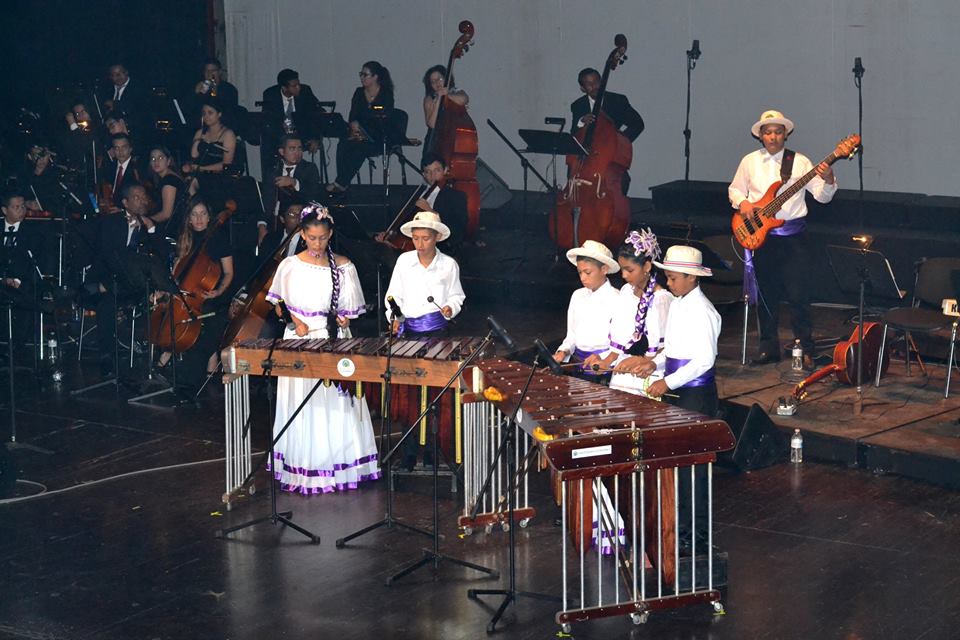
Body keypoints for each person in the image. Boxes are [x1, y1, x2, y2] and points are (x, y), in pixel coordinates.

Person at [265, 203, 377, 494]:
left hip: (333, 339)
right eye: (312, 238)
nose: (317, 243)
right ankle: (304, 464)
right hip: (300, 340)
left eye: (323, 238)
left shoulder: (343, 266)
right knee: (304, 404)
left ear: (330, 235)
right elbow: (277, 305)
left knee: (336, 402)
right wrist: (294, 319)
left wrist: (344, 317)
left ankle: (341, 463)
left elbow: (351, 309)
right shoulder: (289, 265)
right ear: (302, 235)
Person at [728, 109, 837, 368]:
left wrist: (829, 179)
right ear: (761, 136)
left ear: (785, 134)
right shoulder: (749, 161)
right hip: (763, 238)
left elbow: (822, 196)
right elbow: (734, 189)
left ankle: (805, 349)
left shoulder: (800, 162)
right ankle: (768, 348)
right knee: (766, 295)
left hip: (794, 237)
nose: (773, 136)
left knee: (799, 295)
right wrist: (743, 204)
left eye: (778, 132)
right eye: (768, 132)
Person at [633, 245, 720, 551]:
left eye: (672, 278)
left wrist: (666, 382)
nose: (667, 283)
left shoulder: (704, 311)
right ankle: (679, 527)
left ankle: (696, 536)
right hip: (678, 393)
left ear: (690, 278)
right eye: (667, 277)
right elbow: (673, 350)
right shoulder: (680, 303)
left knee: (693, 468)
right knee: (676, 465)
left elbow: (703, 361)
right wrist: (652, 364)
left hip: (695, 397)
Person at [384, 210, 464, 470]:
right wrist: (393, 316)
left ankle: (432, 450)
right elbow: (392, 295)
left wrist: (451, 307)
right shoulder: (404, 262)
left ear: (437, 237)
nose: (420, 244)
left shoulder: (449, 264)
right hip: (408, 334)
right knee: (409, 394)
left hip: (438, 335)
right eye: (416, 238)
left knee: (435, 395)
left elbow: (457, 295)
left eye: (425, 238)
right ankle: (409, 452)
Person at [584, 229, 673, 396]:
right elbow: (619, 345)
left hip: (649, 377)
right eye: (622, 270)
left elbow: (667, 350)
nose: (624, 275)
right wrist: (604, 361)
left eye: (629, 270)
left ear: (647, 266)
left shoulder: (662, 300)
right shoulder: (625, 292)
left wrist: (641, 360)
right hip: (622, 376)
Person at [162, 198, 234, 399]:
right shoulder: (186, 238)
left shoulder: (218, 238)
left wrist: (219, 290)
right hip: (189, 294)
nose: (199, 218)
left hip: (213, 295)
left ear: (209, 217)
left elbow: (228, 273)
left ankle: (187, 378)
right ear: (189, 219)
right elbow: (179, 269)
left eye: (203, 213)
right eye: (194, 214)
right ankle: (169, 357)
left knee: (204, 328)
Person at [374, 152, 468, 256]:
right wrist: (389, 236)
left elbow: (458, 231)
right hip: (411, 246)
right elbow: (404, 221)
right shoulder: (416, 193)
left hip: (440, 249)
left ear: (445, 170)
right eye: (428, 172)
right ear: (423, 174)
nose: (433, 176)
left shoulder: (456, 196)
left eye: (437, 170)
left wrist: (430, 210)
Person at [553, 239, 621, 381]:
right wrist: (563, 350)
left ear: (604, 269)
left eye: (588, 272)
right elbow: (571, 335)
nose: (583, 278)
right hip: (578, 367)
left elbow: (621, 344)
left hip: (603, 369)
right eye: (580, 272)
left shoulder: (617, 299)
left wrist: (602, 358)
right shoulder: (578, 295)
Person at [570, 67, 644, 194]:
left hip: (611, 156)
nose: (595, 86)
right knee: (575, 178)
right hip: (587, 158)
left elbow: (638, 124)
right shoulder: (578, 105)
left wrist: (620, 142)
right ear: (583, 88)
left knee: (622, 180)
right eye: (589, 84)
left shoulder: (618, 101)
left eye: (597, 82)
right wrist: (581, 121)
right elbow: (573, 133)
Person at [326, 61, 395, 193]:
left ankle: (341, 182)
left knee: (359, 148)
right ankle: (342, 181)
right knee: (343, 144)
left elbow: (384, 117)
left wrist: (365, 126)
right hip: (359, 133)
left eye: (365, 75)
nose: (362, 78)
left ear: (375, 77)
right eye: (361, 74)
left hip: (378, 136)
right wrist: (354, 126)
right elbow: (353, 115)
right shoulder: (358, 93)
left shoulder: (386, 93)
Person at [257, 134, 321, 242]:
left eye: (299, 148)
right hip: (276, 221)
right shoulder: (273, 170)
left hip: (300, 221)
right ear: (282, 152)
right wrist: (262, 226)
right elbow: (266, 202)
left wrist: (294, 182)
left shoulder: (309, 169)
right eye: (292, 149)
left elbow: (313, 196)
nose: (297, 153)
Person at [260, 68, 322, 171]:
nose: (298, 88)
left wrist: (315, 137)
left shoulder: (305, 91)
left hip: (301, 134)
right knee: (267, 143)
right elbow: (268, 120)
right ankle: (272, 178)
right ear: (284, 88)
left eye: (299, 84)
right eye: (294, 86)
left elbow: (315, 115)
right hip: (279, 135)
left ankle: (298, 176)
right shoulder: (270, 94)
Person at [421, 64, 469, 162]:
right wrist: (439, 99)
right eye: (433, 82)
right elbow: (431, 124)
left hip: (455, 140)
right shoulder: (429, 99)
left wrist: (446, 96)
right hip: (435, 141)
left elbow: (464, 99)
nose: (437, 83)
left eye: (439, 79)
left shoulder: (455, 91)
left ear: (446, 78)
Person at [183, 98, 237, 175]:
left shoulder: (228, 134)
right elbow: (194, 156)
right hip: (200, 172)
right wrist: (198, 140)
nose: (206, 116)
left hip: (219, 174)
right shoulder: (200, 132)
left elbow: (226, 164)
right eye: (204, 113)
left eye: (210, 113)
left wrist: (202, 168)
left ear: (219, 114)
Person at [146, 145, 190, 236]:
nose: (156, 161)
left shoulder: (169, 181)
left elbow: (166, 214)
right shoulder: (167, 177)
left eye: (160, 158)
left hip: (174, 230)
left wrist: (145, 221)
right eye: (153, 159)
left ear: (168, 161)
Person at [101, 132, 144, 214]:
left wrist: (123, 211)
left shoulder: (137, 169)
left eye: (124, 147)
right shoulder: (110, 167)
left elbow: (143, 200)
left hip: (129, 216)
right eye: (117, 148)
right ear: (113, 150)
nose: (120, 152)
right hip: (109, 213)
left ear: (130, 149)